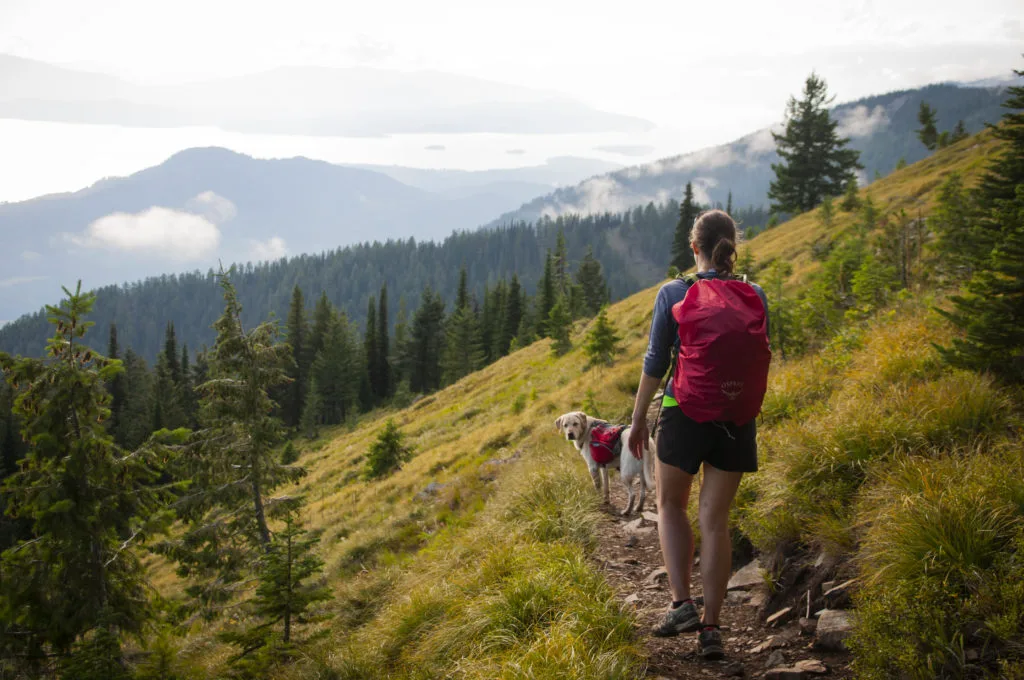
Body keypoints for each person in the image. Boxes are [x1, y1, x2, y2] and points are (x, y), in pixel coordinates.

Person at [627, 209, 770, 661]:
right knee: (716, 522)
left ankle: (681, 605)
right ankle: (712, 629)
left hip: (683, 411)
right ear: (733, 245)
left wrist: (635, 420)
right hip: (737, 417)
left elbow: (655, 363)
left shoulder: (674, 291)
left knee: (670, 505)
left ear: (695, 247)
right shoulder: (756, 293)